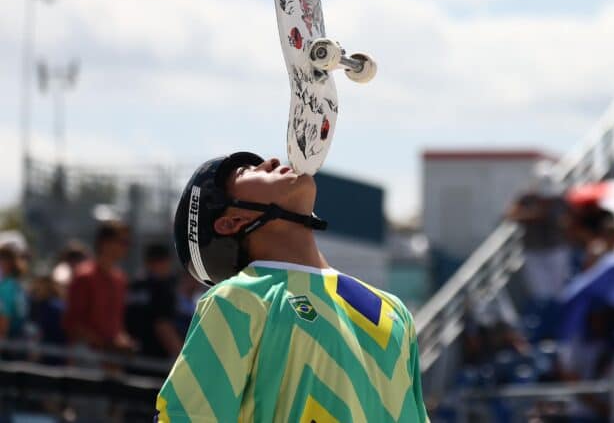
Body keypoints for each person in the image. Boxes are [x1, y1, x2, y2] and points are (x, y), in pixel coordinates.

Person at [156, 153, 427, 422]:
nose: (271, 161)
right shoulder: (238, 300)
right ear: (232, 222)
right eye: (245, 172)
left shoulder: (393, 310)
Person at [62, 220, 135, 356]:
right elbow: (73, 323)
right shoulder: (84, 276)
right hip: (87, 358)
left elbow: (115, 323)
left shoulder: (120, 279)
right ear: (105, 243)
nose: (126, 247)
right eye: (122, 242)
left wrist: (122, 340)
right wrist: (105, 344)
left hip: (112, 360)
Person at [125, 243, 182, 360]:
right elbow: (163, 326)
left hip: (131, 357)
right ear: (166, 261)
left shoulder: (133, 286)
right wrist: (184, 359)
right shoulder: (162, 287)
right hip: (155, 359)